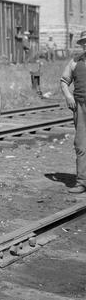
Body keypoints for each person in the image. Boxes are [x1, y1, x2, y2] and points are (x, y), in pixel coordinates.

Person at [60, 30, 86, 193]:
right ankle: (82, 181)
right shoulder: (75, 62)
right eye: (84, 42)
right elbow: (64, 81)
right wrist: (68, 96)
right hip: (81, 107)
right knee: (81, 144)